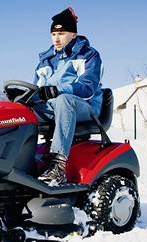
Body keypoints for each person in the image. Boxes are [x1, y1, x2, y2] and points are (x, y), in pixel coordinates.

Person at [32, 7, 104, 186]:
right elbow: (37, 89)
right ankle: (19, 160)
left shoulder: (88, 55)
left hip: (84, 106)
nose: (56, 38)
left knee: (64, 101)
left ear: (73, 34)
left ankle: (59, 164)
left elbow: (88, 88)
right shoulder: (45, 61)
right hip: (52, 107)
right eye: (53, 34)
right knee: (20, 110)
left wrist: (57, 90)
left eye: (61, 33)